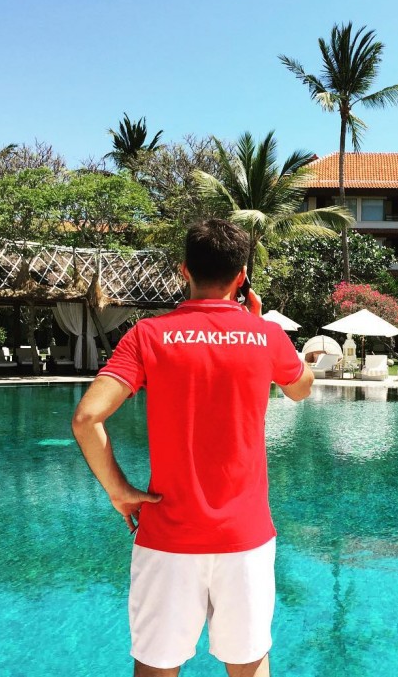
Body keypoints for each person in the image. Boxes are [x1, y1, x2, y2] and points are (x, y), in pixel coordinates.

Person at [72, 219, 314, 677]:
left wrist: (119, 490)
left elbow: (86, 419)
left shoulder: (148, 335)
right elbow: (301, 388)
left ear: (184, 270)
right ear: (241, 276)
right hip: (245, 539)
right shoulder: (265, 335)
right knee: (248, 665)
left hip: (168, 536)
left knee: (156, 667)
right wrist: (256, 325)